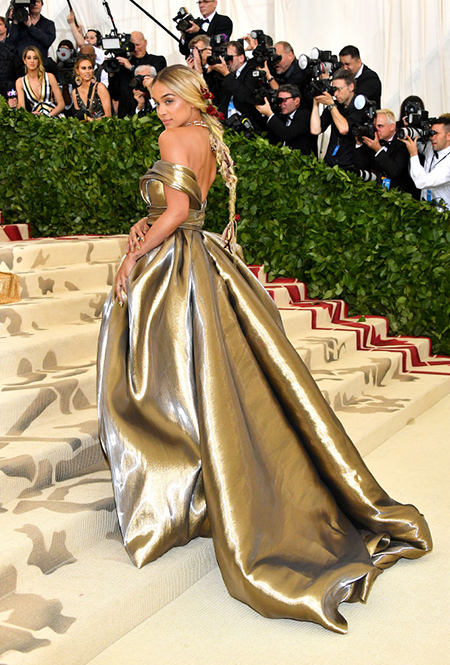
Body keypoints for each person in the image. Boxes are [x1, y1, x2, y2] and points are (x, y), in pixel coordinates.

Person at [97, 63, 431, 634]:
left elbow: (174, 213)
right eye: (156, 101)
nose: (160, 109)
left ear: (190, 98)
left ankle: (177, 494)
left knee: (160, 383)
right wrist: (143, 224)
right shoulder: (206, 137)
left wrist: (133, 255)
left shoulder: (172, 140)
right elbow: (183, 209)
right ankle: (207, 483)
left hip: (172, 270)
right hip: (202, 258)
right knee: (205, 380)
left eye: (168, 100)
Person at [310, 68, 365, 168]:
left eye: (339, 89)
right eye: (334, 90)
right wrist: (315, 103)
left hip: (349, 165)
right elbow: (315, 130)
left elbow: (344, 129)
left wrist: (331, 105)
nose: (335, 94)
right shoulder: (336, 106)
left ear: (351, 87)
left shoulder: (360, 106)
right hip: (330, 163)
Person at [354, 109, 417, 194]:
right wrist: (359, 144)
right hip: (375, 193)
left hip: (398, 195)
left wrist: (378, 149)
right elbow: (361, 167)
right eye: (374, 126)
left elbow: (394, 171)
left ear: (392, 127)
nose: (376, 130)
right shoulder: (372, 140)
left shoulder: (402, 143)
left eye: (380, 126)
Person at [209, 40, 265, 132]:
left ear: (241, 58)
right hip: (228, 124)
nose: (227, 62)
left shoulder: (252, 72)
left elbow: (245, 96)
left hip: (249, 127)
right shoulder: (226, 73)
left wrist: (226, 74)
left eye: (229, 58)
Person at [108, 31, 166, 118]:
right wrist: (112, 74)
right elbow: (115, 95)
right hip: (126, 116)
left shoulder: (157, 60)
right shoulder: (122, 65)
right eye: (132, 46)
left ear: (145, 42)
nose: (135, 49)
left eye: (138, 45)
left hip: (151, 114)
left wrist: (131, 67)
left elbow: (158, 84)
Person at [400, 116, 450, 210]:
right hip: (426, 210)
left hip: (444, 215)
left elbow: (422, 182)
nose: (432, 137)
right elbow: (417, 144)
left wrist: (414, 154)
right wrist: (410, 129)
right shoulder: (431, 148)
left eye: (436, 133)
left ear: (448, 136)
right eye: (431, 133)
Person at [256, 84, 317, 154]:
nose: (281, 104)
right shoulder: (280, 114)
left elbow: (287, 134)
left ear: (296, 101)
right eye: (279, 101)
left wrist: (269, 114)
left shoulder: (305, 115)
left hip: (299, 158)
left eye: (284, 100)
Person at [16, 45, 64, 117]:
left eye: (35, 58)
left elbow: (61, 104)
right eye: (29, 58)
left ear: (38, 60)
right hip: (36, 119)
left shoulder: (49, 77)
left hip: (54, 116)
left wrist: (48, 116)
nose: (32, 61)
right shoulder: (20, 82)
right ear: (24, 60)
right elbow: (22, 108)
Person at [8, 0, 56, 71]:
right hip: (20, 67)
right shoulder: (19, 24)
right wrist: (15, 22)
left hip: (41, 67)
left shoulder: (48, 24)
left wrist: (30, 26)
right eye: (33, 2)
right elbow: (11, 43)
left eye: (38, 2)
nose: (35, 4)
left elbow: (48, 41)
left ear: (42, 5)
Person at [72, 55, 111, 120]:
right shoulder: (75, 92)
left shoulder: (100, 87)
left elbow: (108, 115)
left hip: (103, 125)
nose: (87, 71)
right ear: (77, 71)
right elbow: (78, 116)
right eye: (83, 68)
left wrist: (93, 121)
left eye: (90, 68)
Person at [0, 15, 22, 104]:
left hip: (10, 85)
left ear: (6, 27)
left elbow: (17, 69)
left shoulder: (13, 45)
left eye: (0, 24)